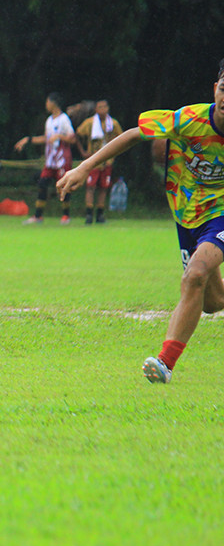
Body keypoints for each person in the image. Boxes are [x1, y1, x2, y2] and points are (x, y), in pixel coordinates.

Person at [57, 59, 224, 384]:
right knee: (211, 301)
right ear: (214, 89)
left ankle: (164, 363)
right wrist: (83, 168)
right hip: (187, 214)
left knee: (195, 276)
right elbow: (135, 135)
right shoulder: (189, 119)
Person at [15, 92, 76, 225]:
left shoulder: (64, 119)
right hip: (50, 161)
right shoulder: (49, 120)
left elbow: (72, 138)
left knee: (63, 186)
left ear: (53, 103)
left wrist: (60, 136)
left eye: (48, 102)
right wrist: (28, 140)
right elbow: (46, 138)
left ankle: (66, 216)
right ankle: (38, 216)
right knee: (42, 184)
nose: (46, 105)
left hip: (62, 160)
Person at [75, 99, 123, 224]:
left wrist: (114, 154)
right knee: (90, 187)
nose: (102, 109)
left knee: (103, 187)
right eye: (100, 107)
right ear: (96, 109)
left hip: (107, 161)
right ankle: (89, 214)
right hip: (93, 160)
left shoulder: (113, 123)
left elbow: (121, 138)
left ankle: (100, 214)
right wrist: (83, 152)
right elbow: (77, 134)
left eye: (104, 107)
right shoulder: (90, 123)